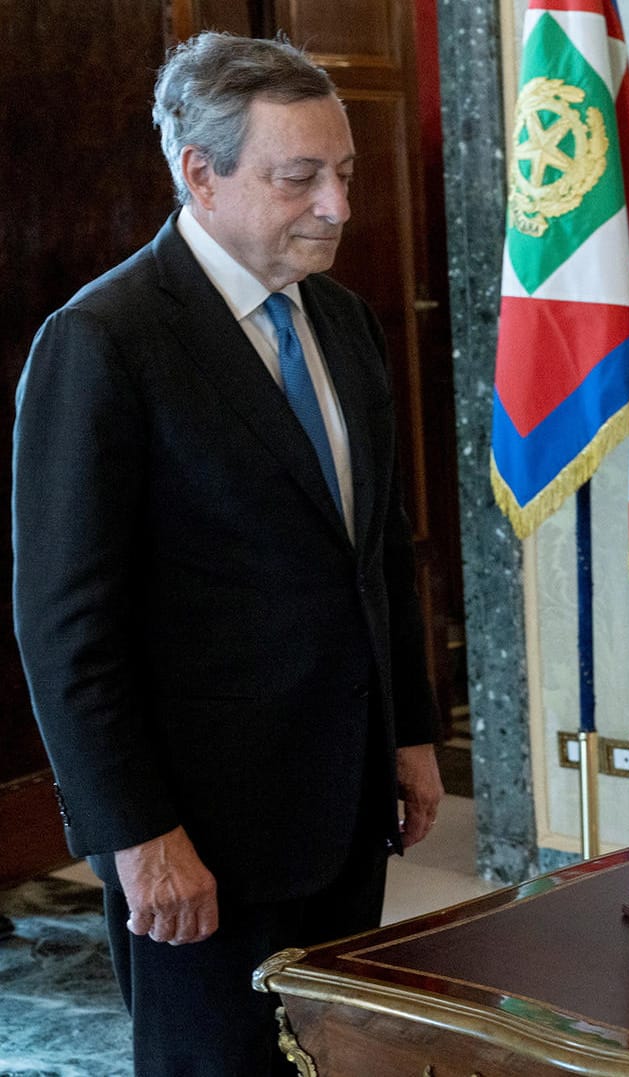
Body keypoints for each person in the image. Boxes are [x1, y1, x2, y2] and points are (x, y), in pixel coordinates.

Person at [13, 32, 442, 1074]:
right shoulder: (104, 341)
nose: (338, 206)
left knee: (331, 1056)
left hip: (344, 806)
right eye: (301, 179)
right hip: (196, 835)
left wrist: (411, 729)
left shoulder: (342, 320)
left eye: (342, 173)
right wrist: (139, 834)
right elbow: (67, 626)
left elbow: (375, 548)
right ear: (200, 175)